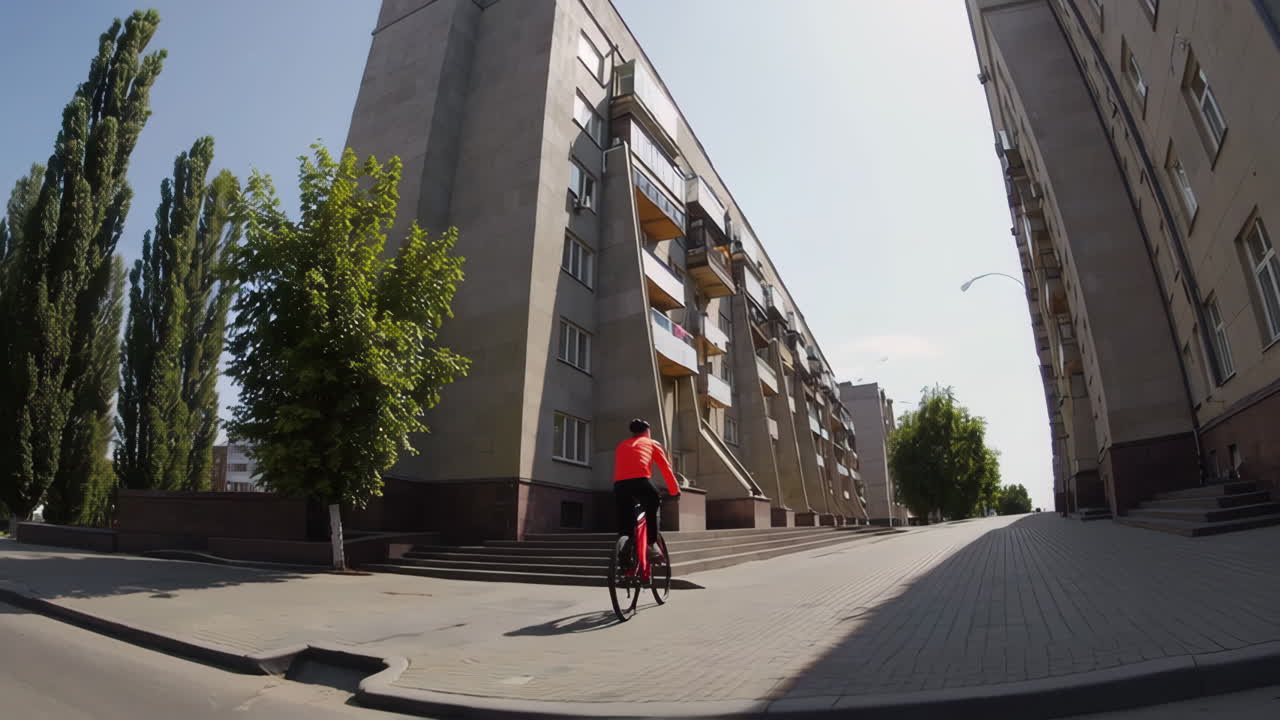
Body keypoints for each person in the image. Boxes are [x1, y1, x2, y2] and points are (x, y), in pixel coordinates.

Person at [613, 418, 681, 555]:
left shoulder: (621, 445)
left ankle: (625, 541)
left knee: (626, 516)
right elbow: (666, 469)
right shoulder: (652, 443)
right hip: (641, 482)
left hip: (620, 485)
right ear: (647, 431)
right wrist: (675, 491)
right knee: (652, 505)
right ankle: (651, 543)